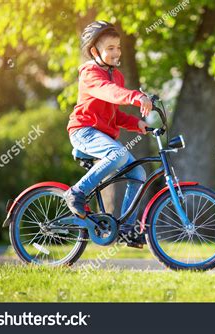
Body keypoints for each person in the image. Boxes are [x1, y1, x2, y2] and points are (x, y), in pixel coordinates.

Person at [64, 21, 151, 245]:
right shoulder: (90, 73)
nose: (116, 52)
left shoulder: (117, 76)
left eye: (119, 47)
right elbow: (109, 92)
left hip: (100, 135)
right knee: (118, 154)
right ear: (94, 51)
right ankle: (76, 192)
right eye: (110, 48)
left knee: (138, 174)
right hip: (83, 131)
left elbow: (114, 114)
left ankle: (126, 229)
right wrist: (135, 96)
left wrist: (136, 123)